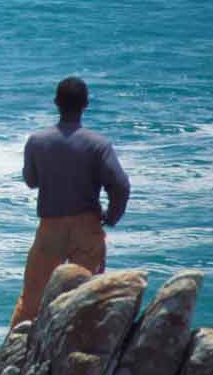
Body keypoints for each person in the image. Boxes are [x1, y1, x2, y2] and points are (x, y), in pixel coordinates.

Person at [10, 76, 131, 327]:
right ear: (85, 104)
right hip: (87, 228)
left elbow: (31, 181)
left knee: (31, 301)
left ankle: (14, 355)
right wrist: (112, 216)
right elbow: (120, 185)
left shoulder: (37, 141)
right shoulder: (99, 144)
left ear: (56, 103)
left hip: (50, 228)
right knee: (86, 302)